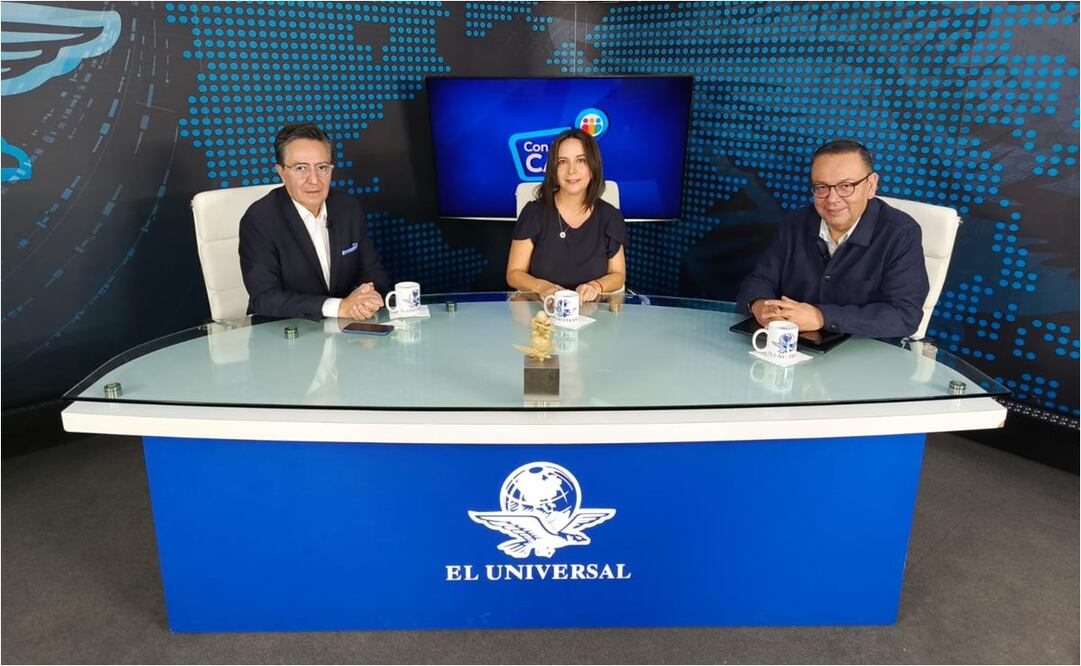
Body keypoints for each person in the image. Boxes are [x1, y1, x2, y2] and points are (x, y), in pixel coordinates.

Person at [736, 140, 929, 338]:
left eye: (846, 186)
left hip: (862, 353)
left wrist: (821, 317)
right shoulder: (797, 222)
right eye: (821, 187)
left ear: (871, 185)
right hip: (792, 346)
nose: (832, 199)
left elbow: (904, 316)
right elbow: (760, 279)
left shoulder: (901, 234)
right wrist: (760, 306)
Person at [239, 123, 388, 321]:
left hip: (343, 331)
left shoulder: (348, 208)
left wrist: (369, 299)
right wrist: (339, 307)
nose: (314, 180)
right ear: (281, 171)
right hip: (282, 334)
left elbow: (373, 272)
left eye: (322, 168)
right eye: (301, 168)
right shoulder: (259, 220)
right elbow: (265, 298)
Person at [506, 128, 626, 302]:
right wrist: (542, 287)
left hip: (593, 316)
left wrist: (596, 286)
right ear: (554, 170)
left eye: (581, 161)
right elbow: (514, 274)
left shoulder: (610, 217)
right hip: (541, 314)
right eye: (563, 162)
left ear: (593, 168)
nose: (571, 170)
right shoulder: (534, 212)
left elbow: (618, 275)